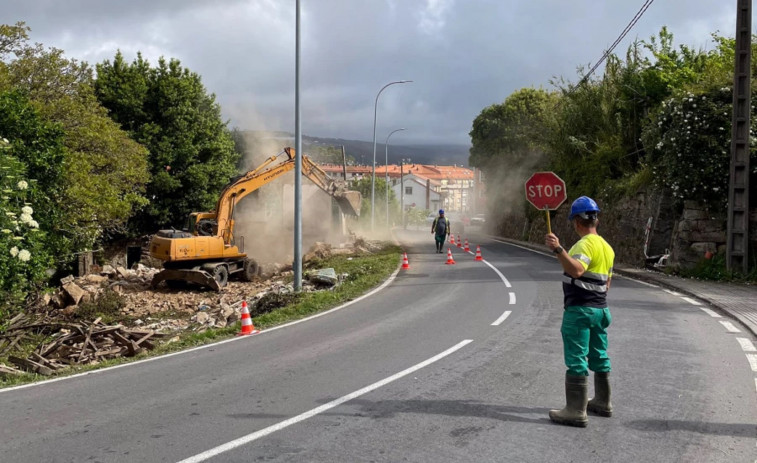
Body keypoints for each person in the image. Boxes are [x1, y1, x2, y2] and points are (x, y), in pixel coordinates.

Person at [544, 196, 615, 427]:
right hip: (601, 309)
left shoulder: (585, 245)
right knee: (599, 356)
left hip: (580, 310)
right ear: (597, 219)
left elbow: (577, 269)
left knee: (577, 359)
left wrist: (558, 249)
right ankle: (602, 402)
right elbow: (607, 284)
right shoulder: (607, 247)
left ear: (576, 221)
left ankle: (575, 410)